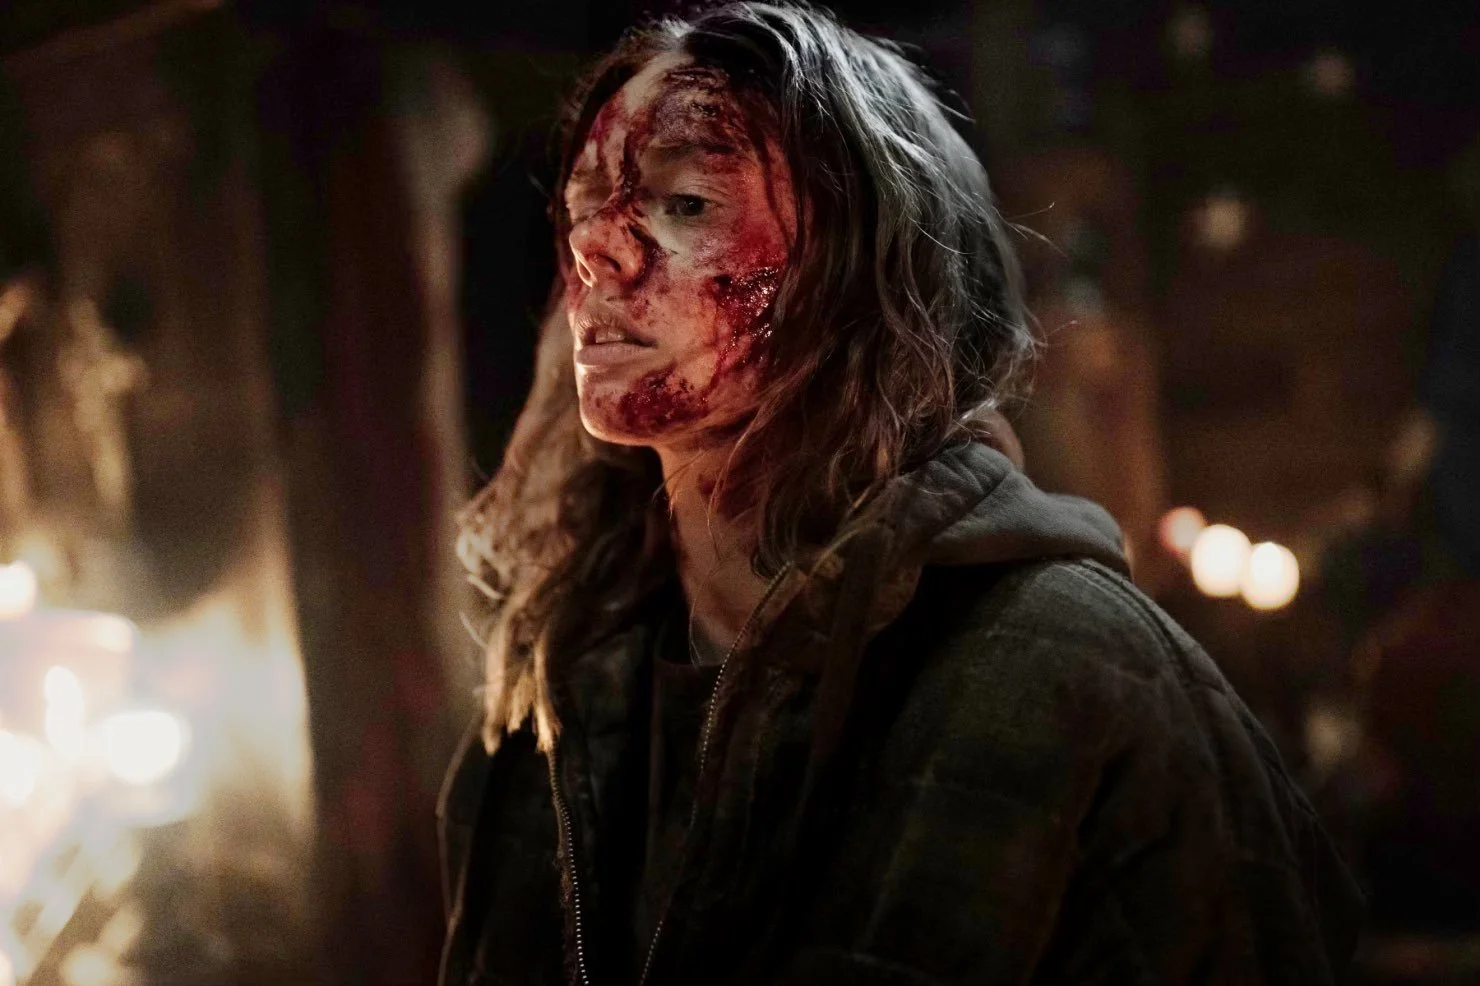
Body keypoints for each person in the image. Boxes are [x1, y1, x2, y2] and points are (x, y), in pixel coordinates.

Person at [440, 5, 1362, 984]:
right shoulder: (550, 707)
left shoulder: (1091, 683)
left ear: (867, 263)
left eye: (688, 202)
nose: (598, 247)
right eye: (584, 202)